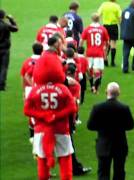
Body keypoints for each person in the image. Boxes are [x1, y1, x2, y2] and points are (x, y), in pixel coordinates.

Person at [24, 36, 77, 180]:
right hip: (61, 128)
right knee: (65, 159)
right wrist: (56, 116)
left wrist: (43, 116)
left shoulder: (35, 91)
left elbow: (27, 110)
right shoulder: (63, 89)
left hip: (41, 129)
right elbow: (72, 107)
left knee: (42, 161)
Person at [87, 82, 134, 180]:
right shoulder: (124, 108)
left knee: (103, 172)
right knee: (119, 172)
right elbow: (130, 125)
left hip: (103, 143)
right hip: (120, 144)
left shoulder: (98, 108)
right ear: (118, 93)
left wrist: (101, 127)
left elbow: (90, 126)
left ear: (106, 92)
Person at [80, 13, 109, 93]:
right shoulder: (102, 29)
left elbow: (81, 40)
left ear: (91, 19)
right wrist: (105, 51)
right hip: (99, 52)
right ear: (99, 19)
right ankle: (95, 87)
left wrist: (80, 49)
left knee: (88, 69)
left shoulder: (87, 29)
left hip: (89, 52)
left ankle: (92, 85)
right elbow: (107, 42)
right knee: (97, 70)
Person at [20, 43, 43, 143]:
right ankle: (41, 131)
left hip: (29, 89)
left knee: (31, 112)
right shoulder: (44, 61)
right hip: (41, 88)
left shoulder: (27, 62)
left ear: (33, 50)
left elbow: (23, 77)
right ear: (42, 50)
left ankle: (32, 135)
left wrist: (24, 91)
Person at [98, 0, 122, 67]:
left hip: (105, 26)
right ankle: (112, 62)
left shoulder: (104, 4)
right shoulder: (117, 6)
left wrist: (98, 23)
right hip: (113, 26)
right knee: (113, 44)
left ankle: (105, 59)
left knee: (106, 44)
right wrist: (121, 25)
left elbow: (98, 14)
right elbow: (119, 17)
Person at [0, 9, 18, 91]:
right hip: (4, 49)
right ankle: (1, 85)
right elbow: (16, 29)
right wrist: (12, 20)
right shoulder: (5, 25)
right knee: (4, 67)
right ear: (3, 16)